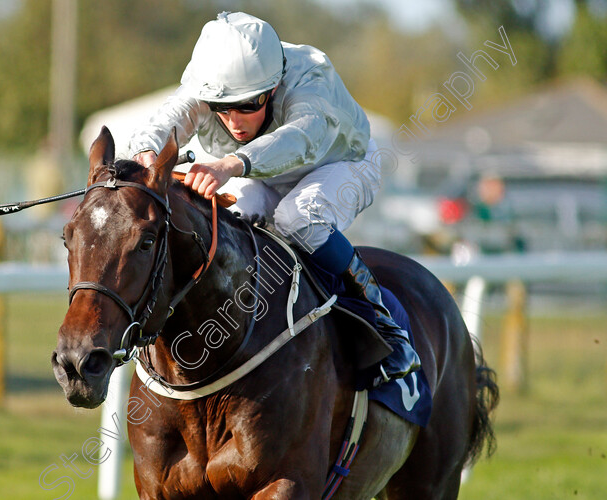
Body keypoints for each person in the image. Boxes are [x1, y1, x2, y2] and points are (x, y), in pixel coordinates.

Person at [128, 11, 419, 388]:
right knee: (233, 225)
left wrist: (231, 164)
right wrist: (147, 160)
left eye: (248, 106)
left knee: (298, 218)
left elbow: (302, 138)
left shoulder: (310, 76)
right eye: (223, 110)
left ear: (273, 86)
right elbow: (161, 125)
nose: (234, 122)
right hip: (262, 174)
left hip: (342, 163)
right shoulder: (212, 81)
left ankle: (387, 326)